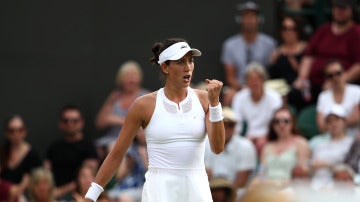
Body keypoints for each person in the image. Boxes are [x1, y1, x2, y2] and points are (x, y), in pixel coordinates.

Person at [83, 37, 225, 202]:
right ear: (165, 67)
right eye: (180, 62)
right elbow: (116, 154)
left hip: (197, 189)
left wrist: (215, 105)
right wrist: (91, 196)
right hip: (159, 191)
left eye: (190, 61)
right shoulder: (143, 105)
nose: (188, 67)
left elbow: (217, 147)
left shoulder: (206, 99)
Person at [293, 0, 360, 105]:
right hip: (314, 83)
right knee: (294, 94)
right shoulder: (324, 29)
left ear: (352, 10)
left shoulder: (356, 33)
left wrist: (337, 81)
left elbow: (358, 66)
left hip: (340, 84)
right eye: (336, 7)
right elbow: (308, 56)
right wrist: (302, 78)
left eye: (343, 8)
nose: (339, 11)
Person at [221, 1, 276, 102]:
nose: (249, 21)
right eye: (246, 17)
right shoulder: (230, 45)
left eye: (253, 17)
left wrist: (258, 86)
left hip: (263, 86)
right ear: (240, 19)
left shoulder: (270, 44)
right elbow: (230, 77)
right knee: (228, 96)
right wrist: (244, 87)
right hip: (240, 87)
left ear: (259, 20)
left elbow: (272, 71)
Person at [95, 60, 149, 161]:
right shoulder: (115, 97)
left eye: (134, 75)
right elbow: (100, 122)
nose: (131, 79)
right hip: (112, 138)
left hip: (135, 143)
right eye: (127, 76)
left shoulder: (145, 97)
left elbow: (146, 130)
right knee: (109, 147)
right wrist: (124, 121)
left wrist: (115, 119)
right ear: (120, 79)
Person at [44, 104, 99, 200]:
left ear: (81, 122)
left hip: (78, 195)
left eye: (74, 121)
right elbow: (45, 173)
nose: (70, 124)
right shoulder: (54, 147)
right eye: (66, 121)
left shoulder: (89, 147)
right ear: (60, 124)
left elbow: (88, 178)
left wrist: (60, 191)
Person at [205, 107, 257, 200]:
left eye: (231, 125)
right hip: (212, 189)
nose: (226, 128)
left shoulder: (246, 146)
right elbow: (207, 174)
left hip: (236, 192)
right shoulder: (207, 145)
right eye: (223, 124)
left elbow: (242, 181)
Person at [231, 62, 283, 155]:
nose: (254, 83)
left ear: (263, 80)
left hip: (268, 137)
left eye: (257, 79)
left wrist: (266, 136)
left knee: (261, 145)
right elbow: (237, 122)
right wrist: (240, 140)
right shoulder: (239, 97)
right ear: (246, 82)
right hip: (246, 137)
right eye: (250, 79)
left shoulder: (274, 97)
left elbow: (277, 122)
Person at [254, 106, 310, 187]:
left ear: (292, 123)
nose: (281, 125)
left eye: (286, 121)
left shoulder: (300, 143)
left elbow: (302, 172)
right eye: (277, 121)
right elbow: (262, 171)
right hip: (268, 187)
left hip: (291, 188)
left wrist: (280, 184)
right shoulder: (267, 146)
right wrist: (260, 181)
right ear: (273, 125)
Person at [310, 104, 354, 189]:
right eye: (329, 121)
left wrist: (327, 165)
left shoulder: (352, 143)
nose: (333, 124)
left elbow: (353, 171)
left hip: (340, 188)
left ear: (344, 121)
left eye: (336, 120)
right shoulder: (319, 144)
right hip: (316, 187)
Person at [0, 114, 42, 197]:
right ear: (6, 133)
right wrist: (8, 189)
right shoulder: (2, 152)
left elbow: (33, 182)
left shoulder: (32, 155)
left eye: (20, 130)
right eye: (12, 130)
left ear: (25, 132)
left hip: (25, 196)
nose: (16, 134)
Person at [316, 59, 360, 137]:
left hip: (354, 136)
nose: (335, 77)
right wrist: (345, 122)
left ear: (344, 72)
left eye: (338, 73)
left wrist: (331, 124)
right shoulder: (323, 96)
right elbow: (321, 126)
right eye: (330, 75)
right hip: (330, 138)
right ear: (326, 78)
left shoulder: (357, 91)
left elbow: (357, 118)